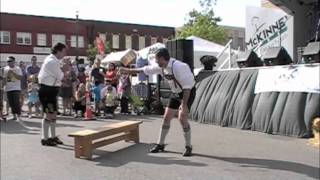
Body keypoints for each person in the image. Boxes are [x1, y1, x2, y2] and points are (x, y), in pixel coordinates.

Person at [119, 48, 196, 156]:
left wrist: (184, 106)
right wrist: (129, 71)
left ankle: (188, 146)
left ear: (162, 58)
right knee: (166, 118)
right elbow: (145, 69)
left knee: (182, 118)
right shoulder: (161, 67)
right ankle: (160, 144)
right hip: (175, 92)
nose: (155, 62)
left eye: (156, 59)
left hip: (187, 92)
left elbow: (187, 88)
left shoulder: (180, 67)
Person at [38, 43, 69, 146]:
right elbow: (61, 76)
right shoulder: (51, 61)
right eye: (64, 51)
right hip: (47, 90)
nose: (65, 54)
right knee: (49, 114)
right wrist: (65, 68)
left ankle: (52, 136)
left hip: (51, 90)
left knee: (54, 113)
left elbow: (60, 79)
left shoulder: (55, 61)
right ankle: (45, 138)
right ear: (58, 51)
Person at [3, 56, 23, 121]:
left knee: (16, 102)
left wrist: (12, 72)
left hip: (16, 88)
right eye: (7, 61)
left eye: (10, 61)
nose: (8, 63)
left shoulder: (18, 68)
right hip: (8, 88)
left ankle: (19, 115)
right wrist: (3, 86)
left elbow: (20, 78)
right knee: (11, 103)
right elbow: (4, 79)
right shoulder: (5, 69)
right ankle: (14, 116)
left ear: (14, 61)